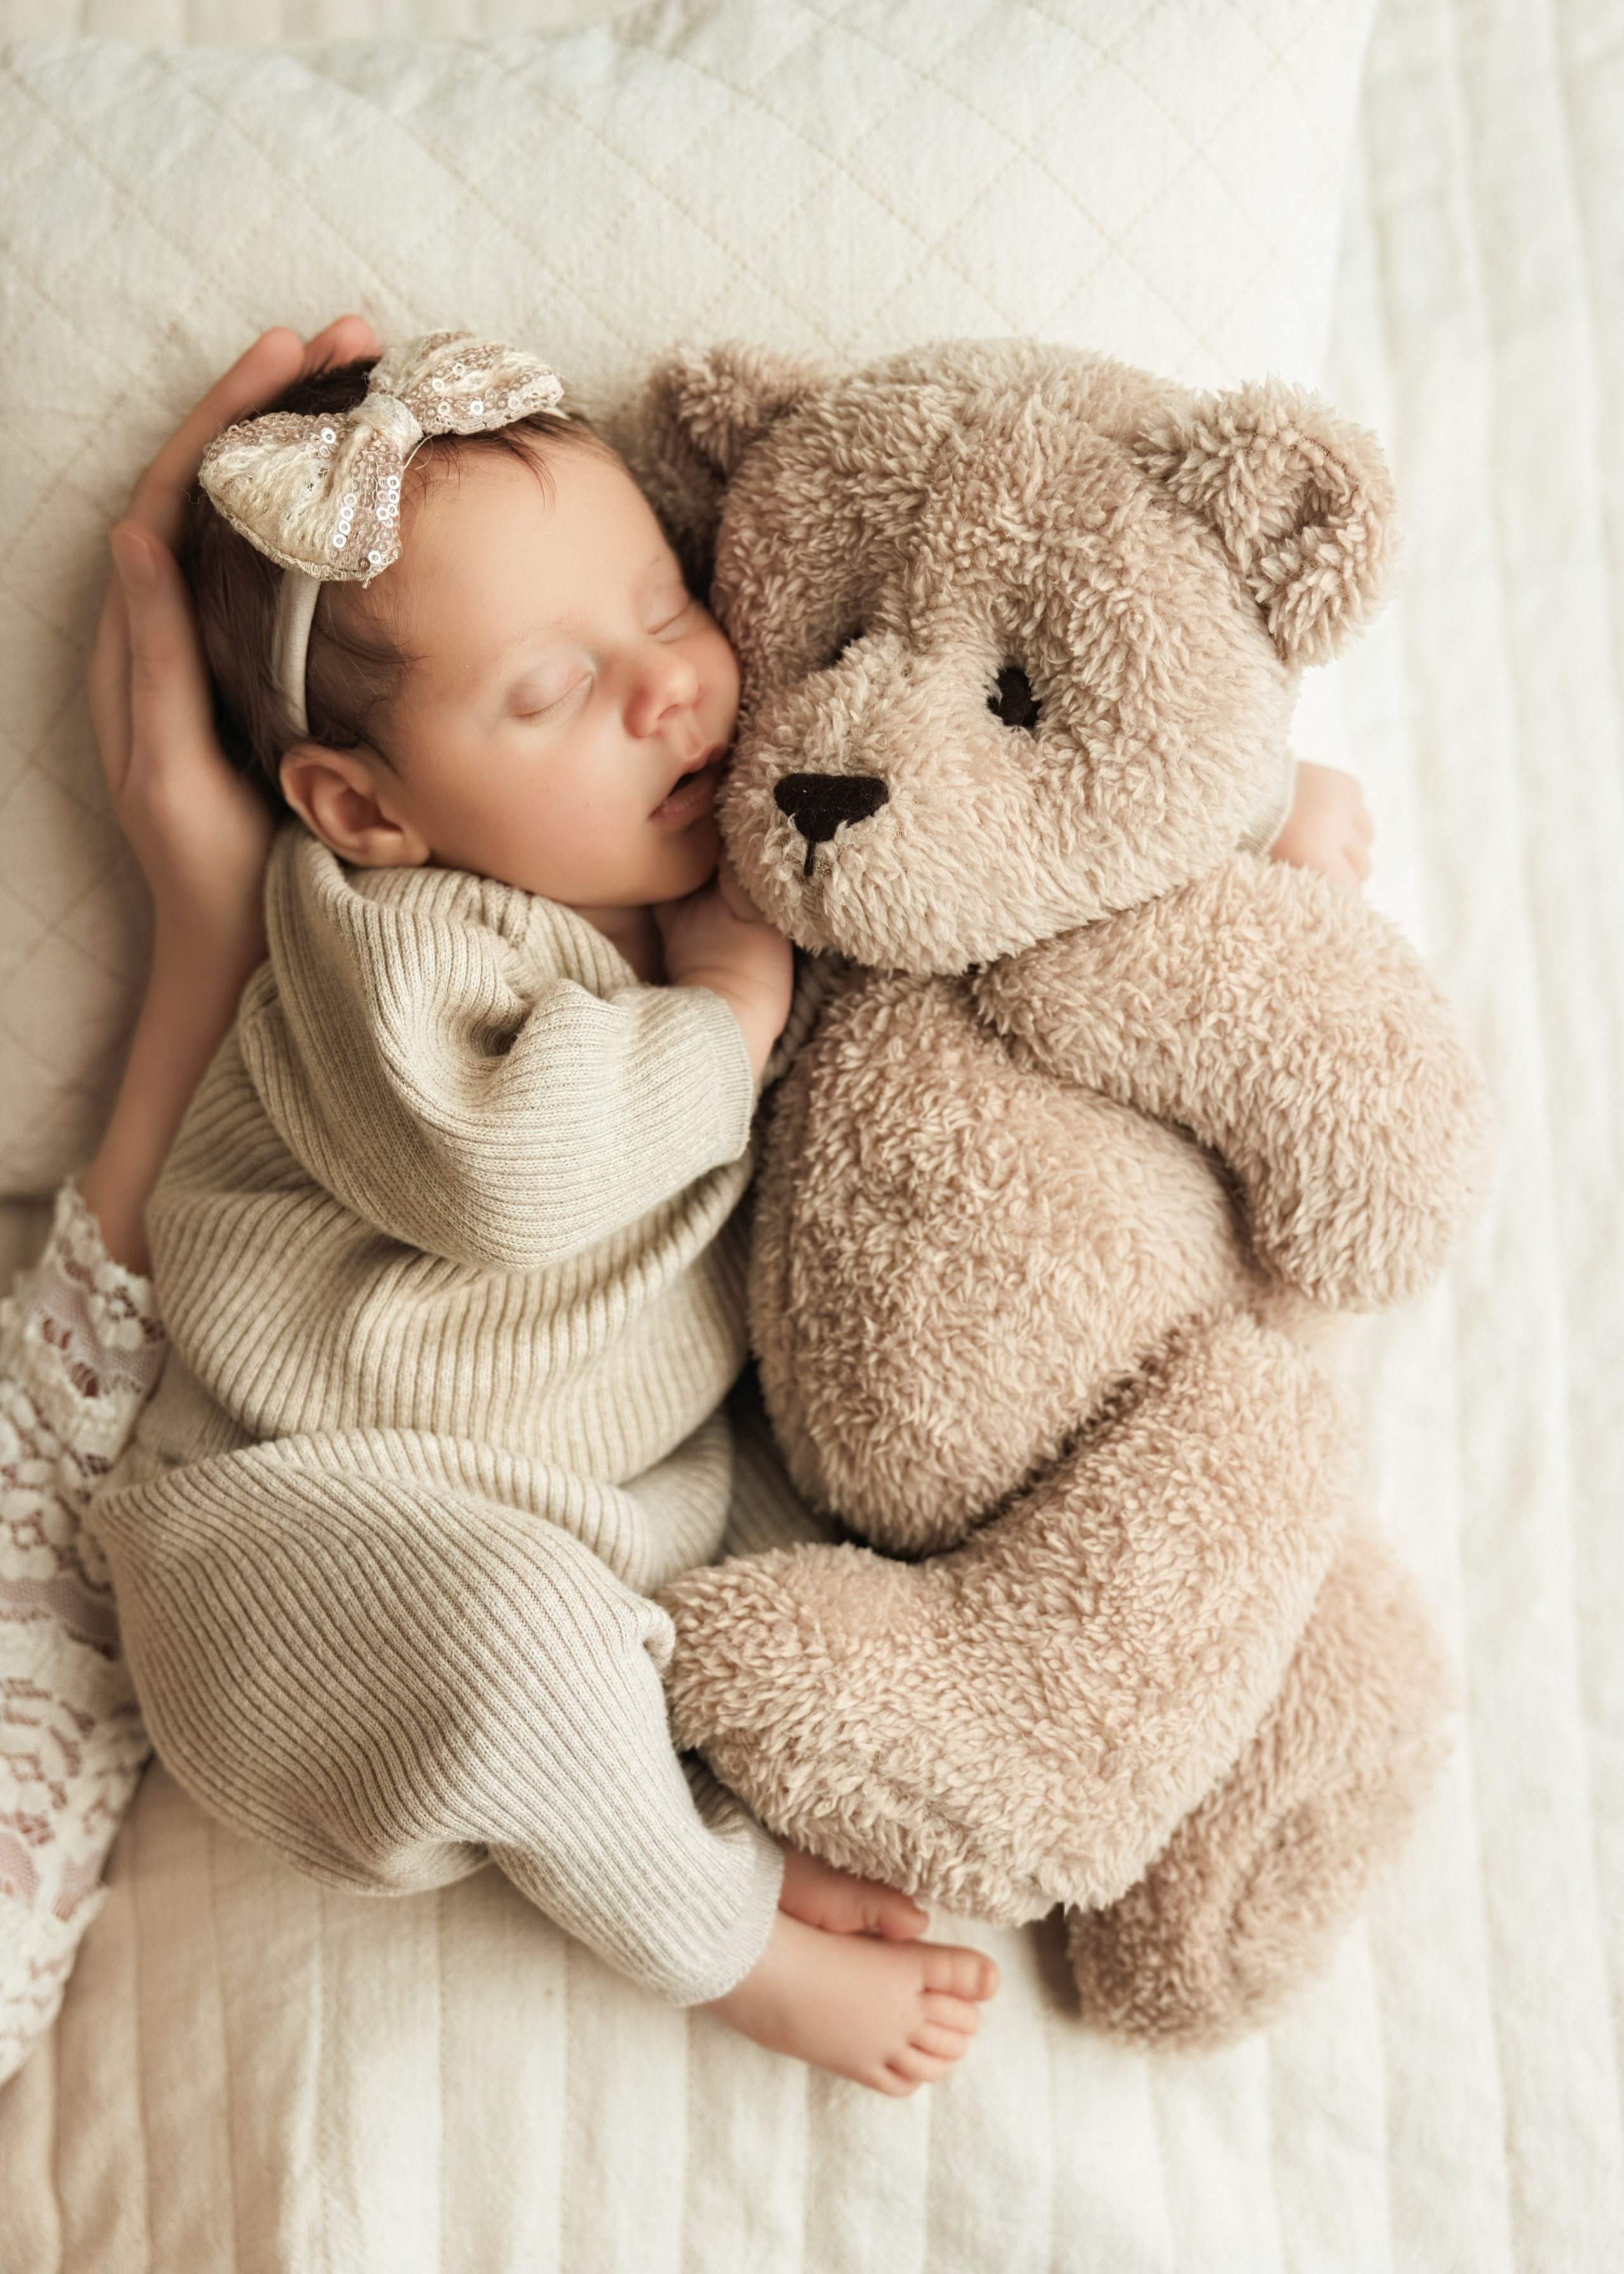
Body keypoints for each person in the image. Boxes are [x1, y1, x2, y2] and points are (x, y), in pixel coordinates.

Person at [0, 322, 1372, 2094]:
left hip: (616, 1513)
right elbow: (507, 1168)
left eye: (663, 604)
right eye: (549, 691)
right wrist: (723, 1015)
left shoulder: (717, 843)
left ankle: (891, 1791)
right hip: (294, 1543)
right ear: (364, 808)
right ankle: (725, 1938)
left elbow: (987, 847)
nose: (664, 689)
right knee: (515, 1648)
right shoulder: (385, 943)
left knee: (800, 1588)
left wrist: (1244, 819)